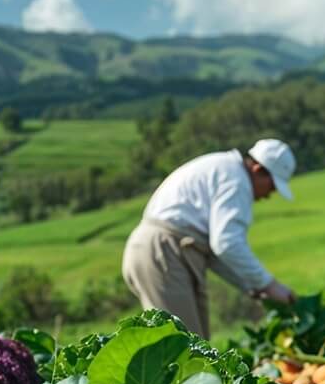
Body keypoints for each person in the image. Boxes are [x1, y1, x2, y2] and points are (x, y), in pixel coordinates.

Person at [122, 138, 298, 337]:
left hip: (163, 251)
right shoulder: (236, 181)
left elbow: (217, 252)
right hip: (164, 252)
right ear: (258, 169)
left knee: (197, 345)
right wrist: (269, 285)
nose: (269, 195)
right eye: (272, 187)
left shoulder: (226, 170)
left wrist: (253, 288)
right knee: (184, 350)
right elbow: (226, 244)